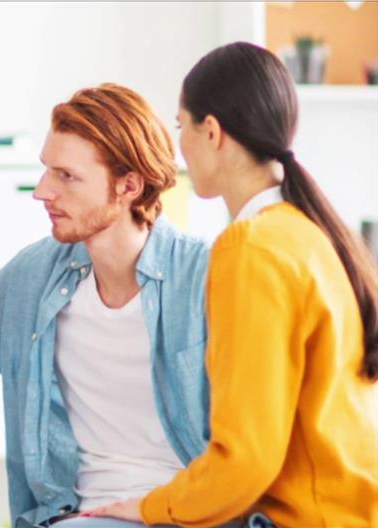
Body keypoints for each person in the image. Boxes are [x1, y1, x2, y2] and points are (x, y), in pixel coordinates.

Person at [88, 41, 378, 528]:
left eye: (180, 127)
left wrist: (150, 506)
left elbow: (246, 458)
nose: (180, 148)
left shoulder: (250, 248)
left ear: (211, 131)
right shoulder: (310, 232)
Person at [0, 84, 212, 528]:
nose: (42, 191)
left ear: (129, 185)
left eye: (66, 176)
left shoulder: (207, 276)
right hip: (77, 517)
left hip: (194, 514)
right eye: (46, 170)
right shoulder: (36, 276)